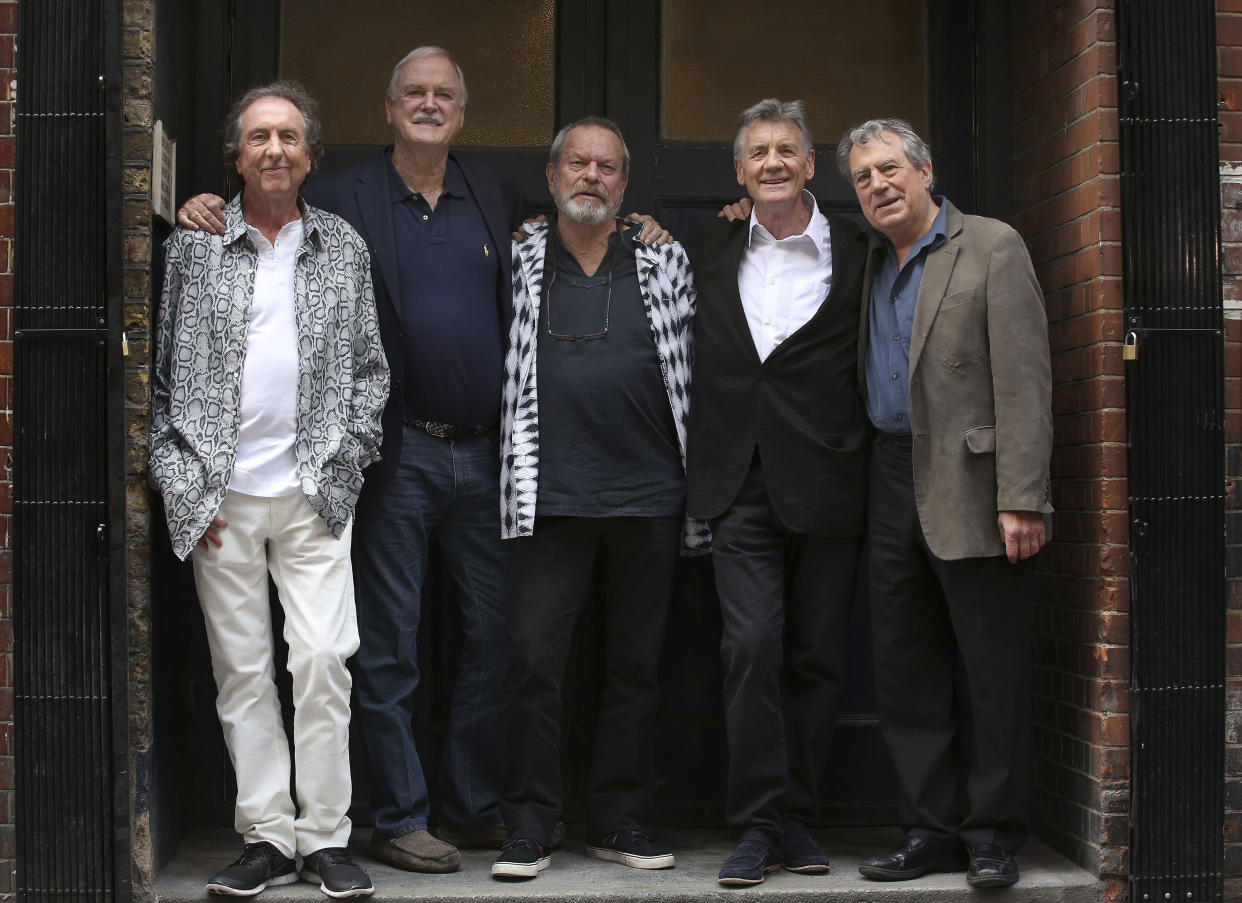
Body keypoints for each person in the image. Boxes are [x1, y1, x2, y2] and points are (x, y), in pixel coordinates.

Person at [178, 47, 671, 873]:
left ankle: (472, 803)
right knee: (387, 644)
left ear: (463, 112)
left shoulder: (495, 195)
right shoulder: (336, 197)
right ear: (389, 106)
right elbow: (265, 209)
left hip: (487, 456)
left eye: (444, 94)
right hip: (394, 454)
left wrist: (643, 223)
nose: (430, 104)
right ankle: (400, 815)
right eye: (415, 92)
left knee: (495, 639)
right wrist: (206, 206)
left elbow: (579, 219)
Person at [150, 81, 387, 897]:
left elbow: (369, 373)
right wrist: (186, 482)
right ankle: (266, 837)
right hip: (222, 497)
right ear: (237, 154)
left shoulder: (343, 247)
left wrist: (345, 468)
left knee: (323, 660)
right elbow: (159, 376)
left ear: (311, 154)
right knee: (242, 671)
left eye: (289, 136)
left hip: (316, 493)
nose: (275, 150)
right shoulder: (195, 247)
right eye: (259, 137)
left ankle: (324, 837)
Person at [489, 117, 706, 881]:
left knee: (635, 668)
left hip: (649, 494)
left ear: (624, 183)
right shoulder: (515, 256)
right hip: (546, 496)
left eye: (606, 167)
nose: (591, 176)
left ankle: (618, 819)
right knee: (534, 663)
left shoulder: (662, 257)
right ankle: (529, 823)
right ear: (551, 178)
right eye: (576, 164)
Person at [839, 117, 1052, 889]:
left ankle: (992, 834)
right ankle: (929, 829)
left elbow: (1026, 379)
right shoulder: (867, 258)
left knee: (989, 668)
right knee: (906, 667)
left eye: (890, 168)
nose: (878, 185)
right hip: (889, 474)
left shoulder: (992, 245)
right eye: (864, 178)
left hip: (976, 483)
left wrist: (1023, 495)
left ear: (925, 171)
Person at [684, 99, 869, 887]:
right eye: (757, 152)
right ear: (738, 170)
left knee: (818, 658)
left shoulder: (861, 251)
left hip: (829, 478)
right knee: (750, 647)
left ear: (810, 163)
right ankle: (757, 822)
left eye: (786, 149)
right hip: (738, 481)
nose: (772, 163)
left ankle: (799, 813)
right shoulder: (710, 241)